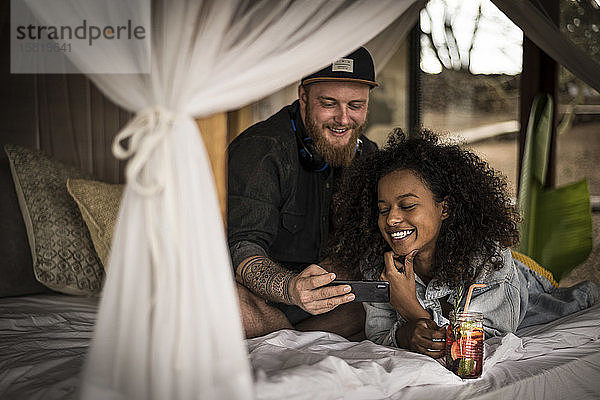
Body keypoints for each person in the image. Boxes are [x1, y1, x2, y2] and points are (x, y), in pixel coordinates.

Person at [325, 128, 599, 358]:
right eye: (383, 209)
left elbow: (479, 346)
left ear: (445, 208)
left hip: (524, 284)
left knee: (570, 305)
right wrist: (404, 334)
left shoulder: (487, 258)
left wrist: (412, 310)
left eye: (407, 205)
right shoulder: (378, 261)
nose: (392, 219)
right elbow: (380, 334)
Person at [227, 47, 379, 339]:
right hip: (261, 299)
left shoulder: (369, 155)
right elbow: (241, 248)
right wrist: (291, 288)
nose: (344, 119)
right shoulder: (260, 150)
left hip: (328, 305)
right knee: (223, 300)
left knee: (378, 304)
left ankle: (288, 341)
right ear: (303, 97)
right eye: (329, 103)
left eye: (356, 106)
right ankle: (296, 340)